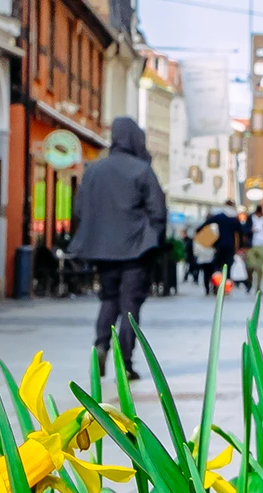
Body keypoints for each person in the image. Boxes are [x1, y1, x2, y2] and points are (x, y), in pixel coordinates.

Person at [67, 116, 167, 379]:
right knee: (130, 305)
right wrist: (152, 240)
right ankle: (125, 362)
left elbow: (79, 209)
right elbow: (158, 212)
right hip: (135, 250)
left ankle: (101, 344)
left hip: (103, 250)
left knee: (109, 300)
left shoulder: (93, 171)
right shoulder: (142, 170)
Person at [197, 203, 240, 297]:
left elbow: (207, 222)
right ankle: (226, 289)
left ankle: (217, 285)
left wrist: (198, 230)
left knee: (217, 267)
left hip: (220, 246)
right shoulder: (234, 219)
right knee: (228, 268)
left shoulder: (220, 217)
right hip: (230, 247)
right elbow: (241, 231)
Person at [243, 206, 263, 294]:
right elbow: (244, 230)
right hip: (251, 245)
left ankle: (258, 287)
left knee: (259, 268)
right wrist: (250, 230)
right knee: (250, 266)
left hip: (262, 245)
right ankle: (249, 282)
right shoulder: (250, 218)